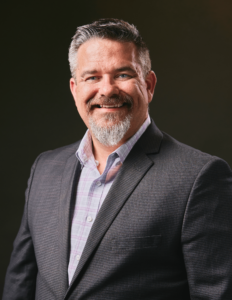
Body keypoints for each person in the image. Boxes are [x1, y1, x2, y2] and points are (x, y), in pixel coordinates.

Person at [3, 18, 232, 300]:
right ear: (75, 89)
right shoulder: (45, 169)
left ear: (148, 85)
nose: (107, 90)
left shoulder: (199, 177)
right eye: (92, 77)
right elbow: (19, 285)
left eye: (123, 75)